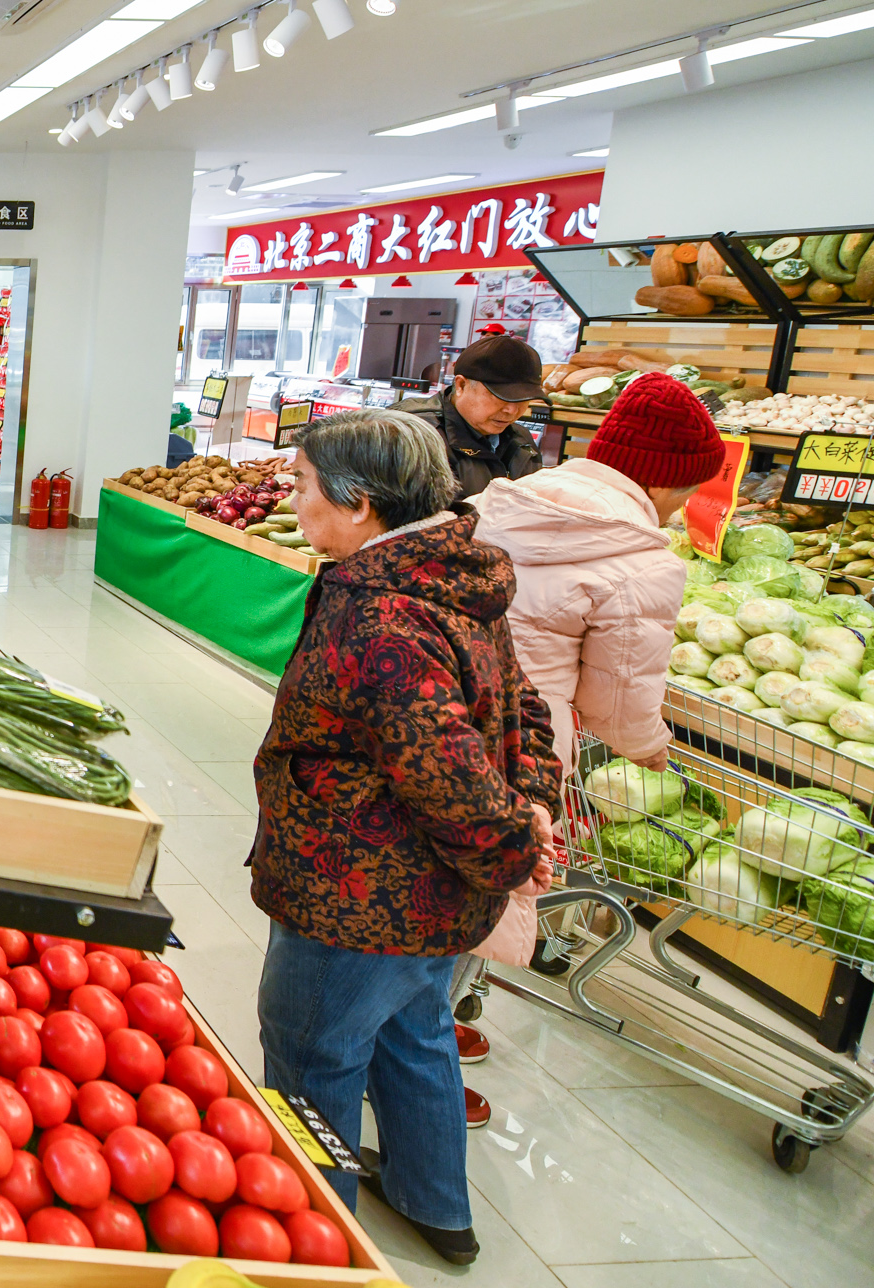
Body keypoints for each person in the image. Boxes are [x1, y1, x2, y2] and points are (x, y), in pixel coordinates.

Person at [252, 408, 558, 1267]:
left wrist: (516, 847)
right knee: (415, 1031)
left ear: (359, 504)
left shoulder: (381, 612)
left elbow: (447, 776)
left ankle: (321, 1245)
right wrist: (532, 809)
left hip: (357, 895)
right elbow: (525, 710)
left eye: (303, 486)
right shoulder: (452, 574)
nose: (294, 500)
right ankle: (436, 1205)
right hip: (438, 897)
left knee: (313, 1055)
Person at [451, 371, 726, 1081]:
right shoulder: (640, 560)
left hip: (432, 714)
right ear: (660, 479)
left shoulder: (502, 499)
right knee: (478, 892)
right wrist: (654, 751)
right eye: (688, 488)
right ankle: (416, 1050)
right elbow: (617, 706)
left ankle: (414, 1027)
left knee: (427, 875)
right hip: (517, 744)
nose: (684, 505)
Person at [397, 333, 545, 498]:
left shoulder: (522, 440)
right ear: (461, 385)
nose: (511, 410)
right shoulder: (413, 435)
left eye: (523, 399)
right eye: (501, 396)